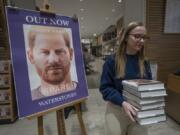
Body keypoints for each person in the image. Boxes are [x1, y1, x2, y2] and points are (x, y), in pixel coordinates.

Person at [99, 21, 152, 135]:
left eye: (144, 37)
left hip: (138, 110)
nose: (142, 41)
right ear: (126, 38)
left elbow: (148, 85)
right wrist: (123, 102)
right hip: (117, 108)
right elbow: (105, 88)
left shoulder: (145, 62)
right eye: (137, 36)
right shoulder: (112, 61)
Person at [27, 26, 77, 100]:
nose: (53, 60)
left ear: (71, 54)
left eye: (60, 51)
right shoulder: (30, 100)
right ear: (31, 57)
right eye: (45, 52)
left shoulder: (80, 92)